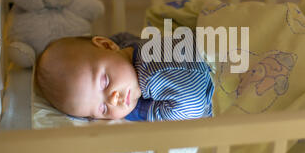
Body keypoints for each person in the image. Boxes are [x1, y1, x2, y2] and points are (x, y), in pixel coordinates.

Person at [35, 33, 214, 122]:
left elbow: (195, 104)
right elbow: (122, 37)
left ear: (106, 44)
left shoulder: (152, 72)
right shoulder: (128, 48)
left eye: (104, 82)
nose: (114, 99)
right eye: (103, 109)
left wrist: (147, 112)